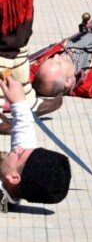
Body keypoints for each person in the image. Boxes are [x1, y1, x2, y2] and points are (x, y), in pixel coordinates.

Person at [1, 73, 71, 211]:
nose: (18, 149)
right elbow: (24, 128)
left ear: (14, 178)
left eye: (19, 155)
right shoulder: (13, 176)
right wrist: (19, 101)